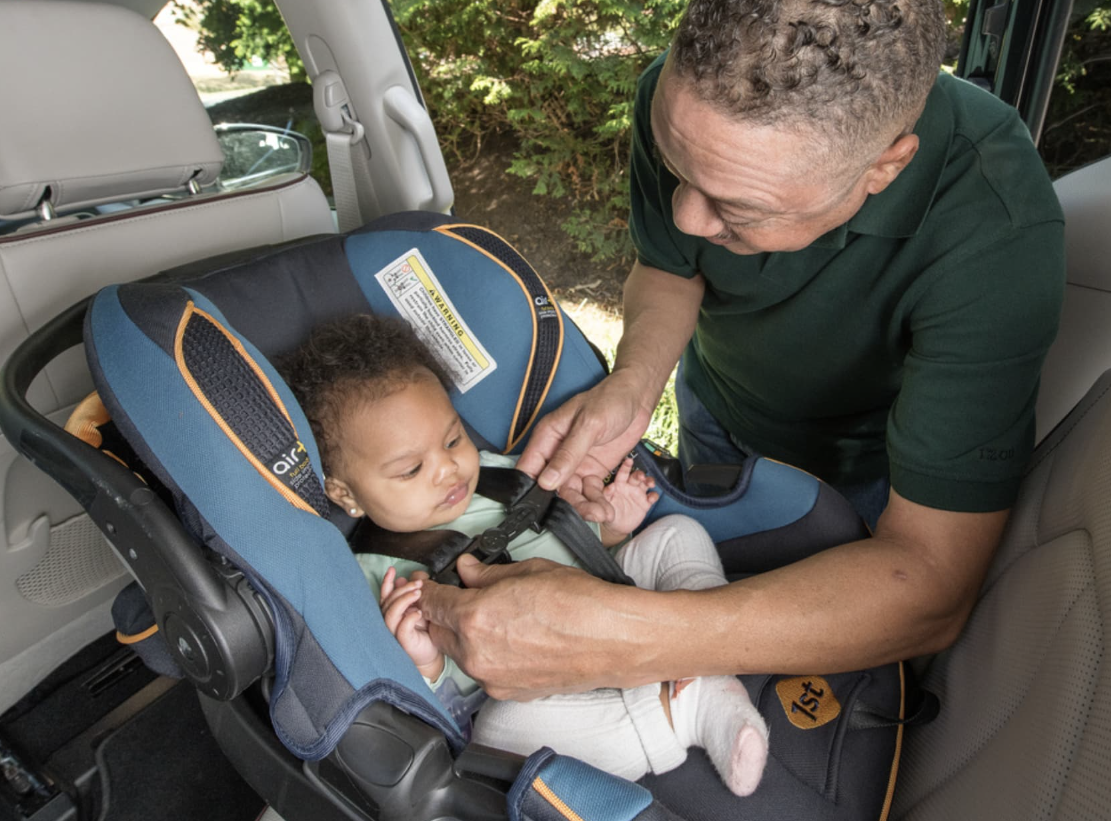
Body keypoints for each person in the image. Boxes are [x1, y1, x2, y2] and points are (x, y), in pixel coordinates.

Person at [415, 0, 1067, 702]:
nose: (690, 218)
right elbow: (669, 268)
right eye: (677, 170)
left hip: (868, 468)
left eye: (739, 210)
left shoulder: (997, 231)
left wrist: (618, 642)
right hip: (715, 403)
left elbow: (928, 586)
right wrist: (635, 384)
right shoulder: (696, 107)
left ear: (884, 169)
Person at [276, 314, 771, 796]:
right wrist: (425, 668)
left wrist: (607, 526)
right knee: (505, 732)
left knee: (676, 535)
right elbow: (434, 717)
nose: (448, 469)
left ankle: (707, 654)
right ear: (347, 496)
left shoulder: (495, 475)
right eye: (410, 470)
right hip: (543, 687)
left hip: (619, 606)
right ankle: (687, 709)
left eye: (453, 439)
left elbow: (572, 544)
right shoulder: (378, 577)